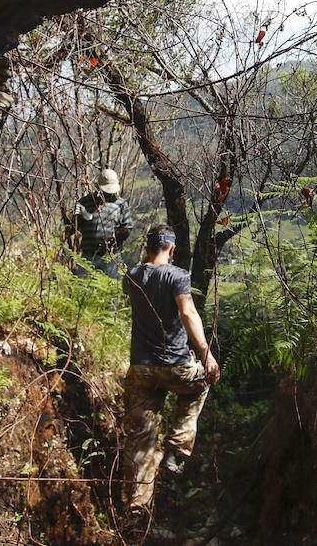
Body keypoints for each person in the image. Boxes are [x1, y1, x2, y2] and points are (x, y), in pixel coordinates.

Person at [121, 224, 221, 520]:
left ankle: (136, 506)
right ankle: (178, 448)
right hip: (175, 364)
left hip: (140, 367)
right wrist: (207, 355)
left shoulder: (132, 276)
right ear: (173, 249)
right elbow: (188, 313)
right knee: (201, 383)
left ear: (147, 247)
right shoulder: (178, 276)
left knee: (141, 439)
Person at [73, 168, 132, 277]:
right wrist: (76, 216)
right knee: (84, 290)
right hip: (88, 256)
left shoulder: (121, 204)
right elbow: (72, 227)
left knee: (112, 290)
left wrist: (123, 232)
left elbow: (128, 229)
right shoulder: (84, 202)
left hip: (111, 257)